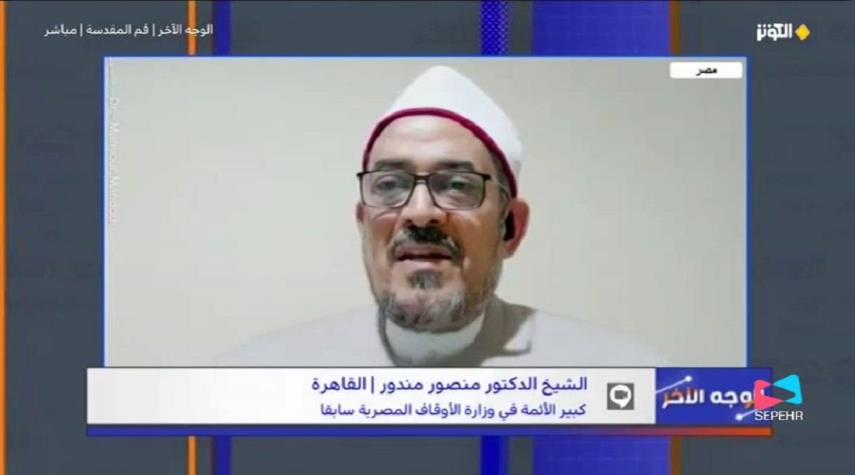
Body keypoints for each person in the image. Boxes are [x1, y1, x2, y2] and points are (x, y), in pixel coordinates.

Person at [219, 65, 664, 367]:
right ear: (363, 223)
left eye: (456, 185)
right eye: (390, 185)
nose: (420, 212)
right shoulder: (255, 381)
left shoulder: (628, 379)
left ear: (511, 228)